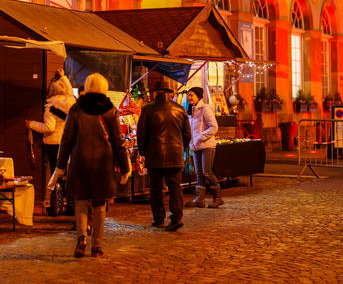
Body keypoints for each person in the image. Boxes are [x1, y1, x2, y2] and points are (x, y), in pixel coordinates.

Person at [51, 73, 131, 258]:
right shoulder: (110, 110)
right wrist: (125, 167)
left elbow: (66, 140)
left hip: (80, 162)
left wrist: (60, 166)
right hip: (103, 164)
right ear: (104, 88)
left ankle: (82, 238)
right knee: (99, 205)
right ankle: (97, 246)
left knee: (80, 202)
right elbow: (119, 141)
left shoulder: (77, 109)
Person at [137, 75, 191, 232]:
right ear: (170, 93)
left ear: (156, 93)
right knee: (175, 187)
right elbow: (187, 135)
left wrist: (143, 151)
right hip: (175, 154)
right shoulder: (180, 110)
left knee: (155, 189)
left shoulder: (148, 109)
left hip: (155, 154)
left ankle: (158, 218)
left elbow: (141, 134)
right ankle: (176, 217)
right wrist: (180, 147)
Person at [25, 69, 76, 216]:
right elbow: (70, 93)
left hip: (53, 144)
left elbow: (49, 128)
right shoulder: (70, 102)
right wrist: (64, 77)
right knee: (66, 174)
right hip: (67, 143)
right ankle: (71, 206)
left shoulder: (50, 108)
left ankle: (56, 208)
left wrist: (31, 124)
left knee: (56, 175)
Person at [185, 86, 224, 208]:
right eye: (189, 95)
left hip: (207, 145)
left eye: (192, 95)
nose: (189, 97)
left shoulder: (205, 109)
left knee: (207, 172)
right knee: (199, 173)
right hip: (196, 146)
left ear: (198, 96)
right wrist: (191, 141)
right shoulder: (190, 110)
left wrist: (199, 137)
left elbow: (214, 127)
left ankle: (218, 197)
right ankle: (199, 199)